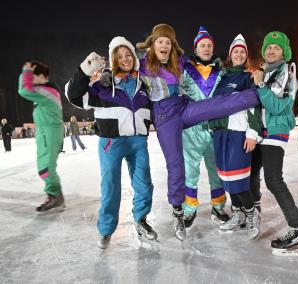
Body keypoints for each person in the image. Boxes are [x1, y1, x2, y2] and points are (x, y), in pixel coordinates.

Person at [136, 23, 259, 241]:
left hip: (185, 109)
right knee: (177, 166)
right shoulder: (143, 64)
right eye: (160, 41)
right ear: (152, 44)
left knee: (218, 104)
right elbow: (122, 64)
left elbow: (223, 73)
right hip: (166, 117)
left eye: (168, 42)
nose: (164, 45)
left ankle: (258, 94)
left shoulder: (180, 62)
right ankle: (179, 210)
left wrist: (255, 79)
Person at [65, 36, 156, 249]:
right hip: (111, 142)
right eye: (119, 56)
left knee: (144, 183)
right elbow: (74, 96)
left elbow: (157, 110)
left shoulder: (144, 85)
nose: (125, 59)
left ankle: (141, 220)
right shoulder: (102, 87)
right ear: (114, 60)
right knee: (110, 186)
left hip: (138, 141)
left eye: (128, 55)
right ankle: (106, 230)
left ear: (134, 57)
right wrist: (85, 71)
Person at [251, 31, 298, 255]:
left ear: (284, 52)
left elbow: (276, 107)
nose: (271, 51)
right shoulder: (267, 73)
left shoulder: (286, 73)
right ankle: (252, 214)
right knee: (251, 174)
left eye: (276, 48)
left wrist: (259, 86)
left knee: (274, 180)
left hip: (275, 130)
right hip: (261, 131)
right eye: (268, 47)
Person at [209, 34, 262, 238]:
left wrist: (252, 133)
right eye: (235, 51)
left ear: (246, 56)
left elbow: (254, 106)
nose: (239, 54)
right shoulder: (221, 77)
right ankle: (237, 214)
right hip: (220, 133)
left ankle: (251, 214)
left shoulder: (248, 77)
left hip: (239, 133)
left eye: (242, 52)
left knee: (238, 179)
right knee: (226, 179)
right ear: (230, 55)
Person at [181, 26, 229, 227]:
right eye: (203, 46)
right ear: (196, 48)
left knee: (216, 171)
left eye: (210, 45)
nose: (207, 49)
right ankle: (189, 209)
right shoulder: (185, 70)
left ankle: (218, 208)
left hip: (215, 129)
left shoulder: (221, 71)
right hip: (191, 130)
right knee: (190, 171)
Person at [18, 61, 65, 214]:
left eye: (33, 75)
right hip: (45, 133)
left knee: (46, 168)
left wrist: (26, 72)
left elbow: (24, 90)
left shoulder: (46, 91)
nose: (31, 79)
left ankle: (55, 196)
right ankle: (56, 195)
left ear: (41, 77)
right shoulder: (45, 92)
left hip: (50, 134)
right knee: (44, 167)